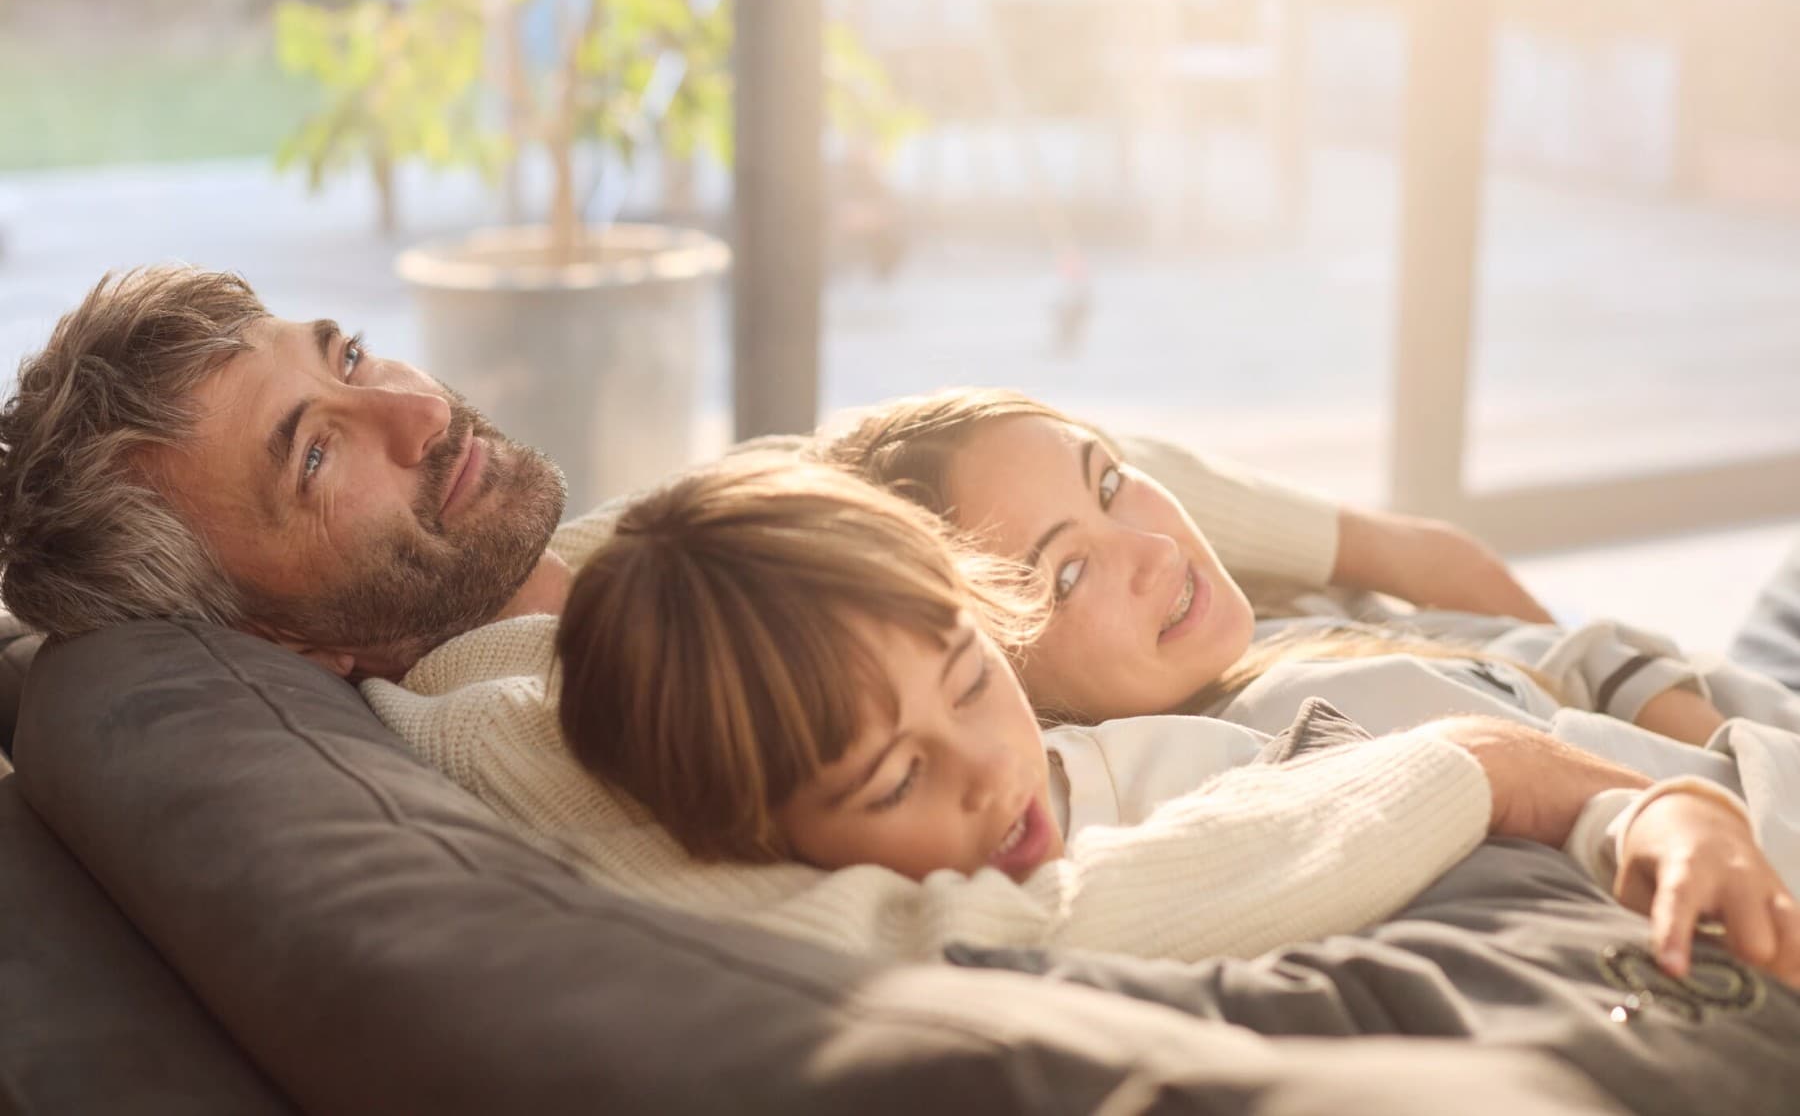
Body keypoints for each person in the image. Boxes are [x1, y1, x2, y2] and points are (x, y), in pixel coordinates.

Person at [0, 265, 1721, 965]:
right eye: (316, 454)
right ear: (280, 639)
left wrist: (1383, 542)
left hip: (1443, 673)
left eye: (352, 355)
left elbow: (912, 464)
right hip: (1451, 764)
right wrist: (1485, 770)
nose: (413, 411)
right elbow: (959, 932)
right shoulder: (521, 728)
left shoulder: (603, 551)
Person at [825, 387, 1800, 884]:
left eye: (1111, 481)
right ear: (996, 672)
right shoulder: (1233, 770)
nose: (1154, 551)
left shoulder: (1279, 621)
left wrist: (1707, 729)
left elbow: (1567, 651)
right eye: (1067, 573)